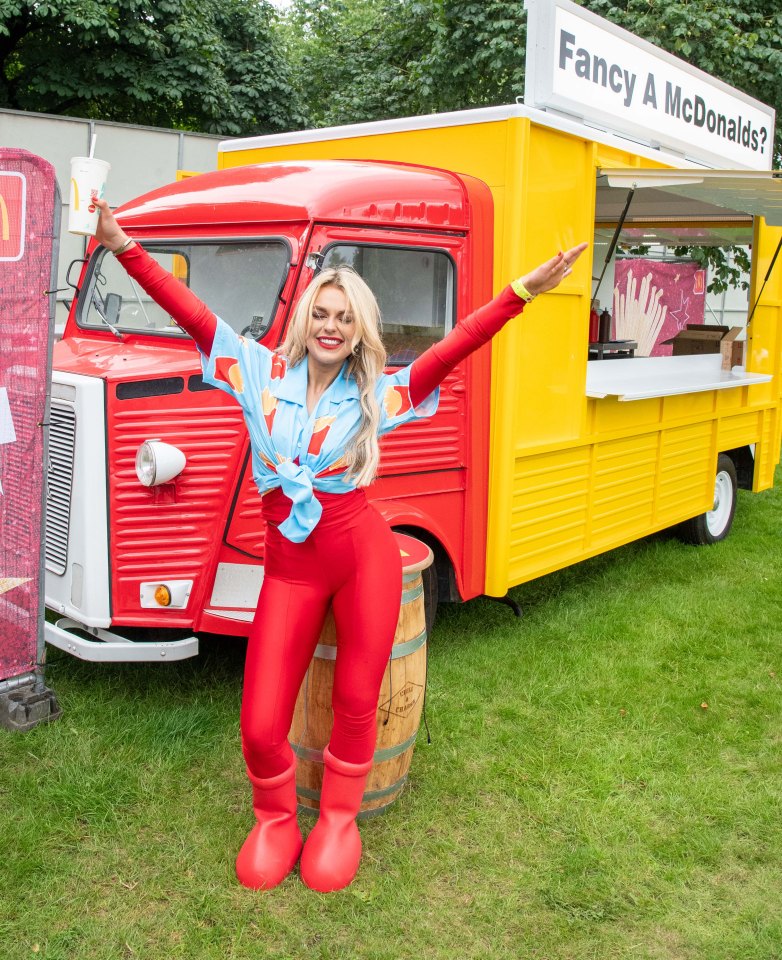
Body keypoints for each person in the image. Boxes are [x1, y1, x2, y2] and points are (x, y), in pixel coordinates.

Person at [94, 197, 586, 892]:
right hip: (290, 571)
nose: (331, 326)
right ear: (305, 320)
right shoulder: (253, 370)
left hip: (363, 560)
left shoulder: (379, 393)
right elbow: (188, 308)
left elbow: (455, 345)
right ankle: (274, 818)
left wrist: (520, 293)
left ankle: (337, 820)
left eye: (345, 318)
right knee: (262, 722)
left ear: (360, 332)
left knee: (357, 699)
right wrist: (120, 244)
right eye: (322, 314)